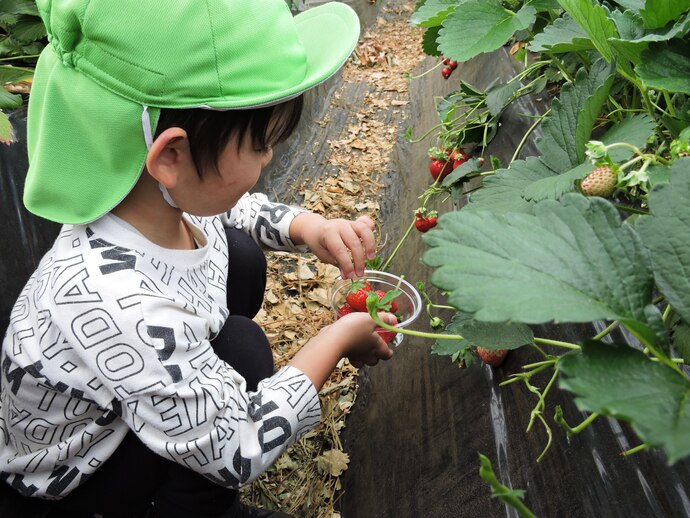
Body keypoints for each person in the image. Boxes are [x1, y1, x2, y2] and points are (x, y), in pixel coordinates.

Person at [0, 0, 397, 516]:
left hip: (123, 398)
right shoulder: (119, 303)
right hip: (70, 485)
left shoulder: (152, 200)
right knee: (246, 350)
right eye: (259, 143)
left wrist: (309, 227)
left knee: (242, 260)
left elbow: (235, 209)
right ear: (170, 155)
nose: (269, 157)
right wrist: (338, 338)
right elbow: (239, 446)